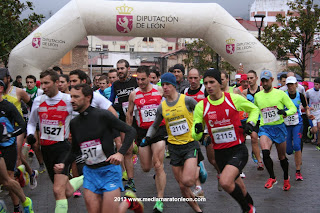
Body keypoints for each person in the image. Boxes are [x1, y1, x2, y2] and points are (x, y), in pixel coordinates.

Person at [54, 84, 143, 213]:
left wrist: (120, 153)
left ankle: (128, 202)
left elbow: (130, 131)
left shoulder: (103, 116)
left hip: (109, 172)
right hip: (90, 173)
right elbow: (74, 150)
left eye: (76, 97)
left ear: (88, 97)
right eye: (71, 96)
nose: (71, 100)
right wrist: (63, 164)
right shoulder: (74, 123)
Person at [192, 68, 259, 213]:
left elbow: (254, 110)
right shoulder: (201, 106)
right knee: (240, 187)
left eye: (212, 82)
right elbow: (195, 135)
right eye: (206, 83)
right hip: (220, 153)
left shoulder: (233, 99)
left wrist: (251, 123)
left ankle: (246, 209)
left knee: (225, 182)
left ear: (220, 83)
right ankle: (252, 208)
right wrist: (197, 131)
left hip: (238, 149)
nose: (208, 86)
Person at [27, 69, 83, 213]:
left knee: (57, 190)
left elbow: (82, 114)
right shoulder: (38, 101)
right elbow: (32, 122)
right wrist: (30, 134)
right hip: (46, 149)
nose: (43, 87)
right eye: (42, 83)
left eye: (47, 83)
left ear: (57, 83)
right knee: (66, 191)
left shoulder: (67, 99)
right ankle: (85, 178)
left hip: (63, 148)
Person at [146, 72, 203, 213]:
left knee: (188, 181)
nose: (164, 87)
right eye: (163, 84)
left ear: (174, 86)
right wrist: (147, 137)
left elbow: (201, 112)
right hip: (174, 148)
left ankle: (198, 170)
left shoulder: (187, 100)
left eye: (168, 84)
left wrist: (200, 127)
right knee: (183, 187)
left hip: (190, 144)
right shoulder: (162, 107)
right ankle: (198, 210)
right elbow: (155, 125)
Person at [126, 66, 166, 213]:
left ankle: (159, 200)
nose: (141, 82)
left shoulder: (160, 90)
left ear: (150, 77)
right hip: (143, 133)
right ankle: (158, 173)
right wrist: (128, 135)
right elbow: (129, 115)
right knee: (146, 168)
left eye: (143, 79)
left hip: (159, 131)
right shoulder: (133, 94)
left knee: (158, 164)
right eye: (138, 79)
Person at [254, 70, 297, 191]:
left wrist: (285, 112)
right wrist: (252, 122)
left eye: (266, 80)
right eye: (262, 81)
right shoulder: (258, 96)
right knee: (266, 153)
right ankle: (272, 177)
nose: (264, 83)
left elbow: (292, 108)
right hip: (265, 128)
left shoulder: (280, 94)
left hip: (278, 128)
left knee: (281, 156)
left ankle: (286, 178)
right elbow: (256, 111)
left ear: (272, 80)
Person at [0, 68, 37, 189]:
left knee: (16, 157)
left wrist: (31, 124)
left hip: (17, 127)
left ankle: (16, 185)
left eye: (2, 79)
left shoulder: (19, 91)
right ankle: (30, 173)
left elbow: (32, 105)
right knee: (19, 155)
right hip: (2, 129)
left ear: (8, 78)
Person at [0, 79, 32, 213]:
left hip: (7, 146)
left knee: (7, 180)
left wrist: (10, 135)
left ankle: (20, 205)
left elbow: (22, 124)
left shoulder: (8, 107)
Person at [109, 59, 138, 191]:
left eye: (122, 68)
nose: (120, 71)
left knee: (146, 151)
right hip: (125, 120)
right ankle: (131, 180)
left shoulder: (136, 81)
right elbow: (110, 101)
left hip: (139, 118)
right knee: (127, 150)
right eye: (118, 68)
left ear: (128, 69)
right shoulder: (115, 85)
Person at [183, 68, 211, 197]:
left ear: (200, 78)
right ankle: (198, 186)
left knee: (213, 159)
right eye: (190, 78)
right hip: (192, 131)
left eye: (195, 78)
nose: (193, 81)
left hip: (206, 129)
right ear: (187, 78)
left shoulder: (205, 91)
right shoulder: (185, 92)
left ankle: (220, 173)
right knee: (193, 156)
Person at [284, 76, 313, 180]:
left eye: (292, 84)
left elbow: (306, 107)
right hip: (287, 124)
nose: (291, 87)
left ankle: (298, 171)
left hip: (297, 123)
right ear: (286, 86)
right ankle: (293, 155)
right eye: (289, 85)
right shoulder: (284, 95)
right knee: (288, 150)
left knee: (297, 145)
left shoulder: (300, 95)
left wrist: (309, 114)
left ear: (296, 85)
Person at [241, 70, 264, 170]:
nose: (249, 80)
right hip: (253, 119)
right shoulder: (245, 92)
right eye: (248, 79)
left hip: (263, 119)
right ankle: (259, 162)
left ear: (256, 78)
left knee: (265, 141)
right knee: (254, 137)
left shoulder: (262, 89)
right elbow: (244, 106)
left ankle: (258, 153)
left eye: (251, 78)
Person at [24, 75, 45, 174]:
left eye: (31, 82)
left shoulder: (40, 92)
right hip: (30, 121)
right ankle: (41, 164)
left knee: (43, 144)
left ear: (35, 83)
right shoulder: (23, 92)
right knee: (35, 144)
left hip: (41, 120)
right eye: (27, 82)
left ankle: (46, 159)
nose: (29, 84)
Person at [306, 77, 320, 150]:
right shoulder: (309, 92)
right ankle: (310, 130)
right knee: (315, 130)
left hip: (319, 112)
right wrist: (308, 106)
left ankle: (318, 143)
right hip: (312, 113)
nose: (315, 86)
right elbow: (305, 100)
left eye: (317, 84)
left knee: (319, 127)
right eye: (314, 84)